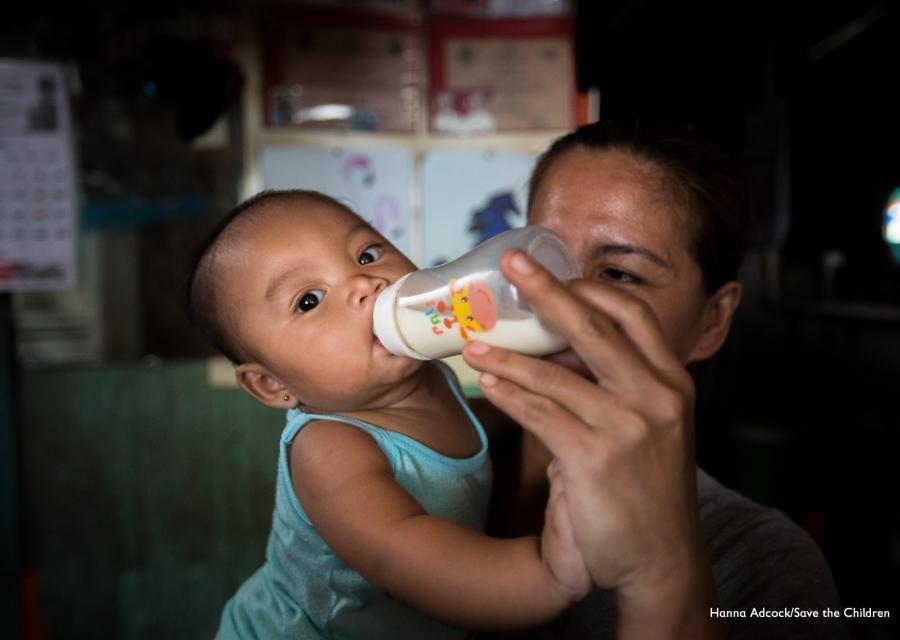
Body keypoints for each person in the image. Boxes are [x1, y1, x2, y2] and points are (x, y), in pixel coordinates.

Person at [462, 118, 848, 639]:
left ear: (712, 321)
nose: (554, 304)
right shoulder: (413, 470)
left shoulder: (765, 566)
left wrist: (664, 575)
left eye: (619, 275)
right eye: (541, 262)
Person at [184, 190, 591, 639]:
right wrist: (546, 575)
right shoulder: (329, 446)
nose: (366, 283)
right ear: (272, 384)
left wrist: (533, 397)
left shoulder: (430, 375)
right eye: (309, 300)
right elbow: (403, 554)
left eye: (367, 253)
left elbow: (471, 425)